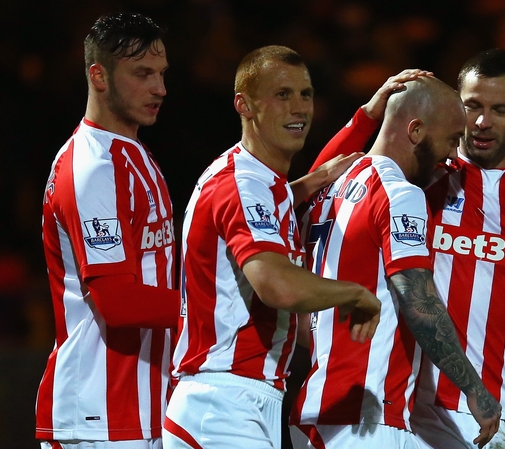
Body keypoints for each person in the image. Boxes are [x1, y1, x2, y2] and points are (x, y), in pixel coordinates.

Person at [310, 49, 505, 449]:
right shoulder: (422, 178)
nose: (482, 122)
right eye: (472, 106)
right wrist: (368, 115)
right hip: (426, 414)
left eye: (500, 110)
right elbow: (334, 186)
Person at [162, 45, 382, 449]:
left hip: (235, 402)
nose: (299, 108)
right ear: (244, 105)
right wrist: (356, 293)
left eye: (305, 94)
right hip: (223, 404)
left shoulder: (263, 184)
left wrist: (312, 179)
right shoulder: (243, 185)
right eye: (282, 94)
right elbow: (277, 286)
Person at [289, 74, 501, 449]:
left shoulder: (328, 186)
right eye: (451, 139)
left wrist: (364, 116)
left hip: (317, 408)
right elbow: (417, 299)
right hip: (368, 417)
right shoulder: (400, 194)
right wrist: (473, 388)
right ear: (415, 130)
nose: (453, 155)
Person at [36, 13, 179, 449]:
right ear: (98, 76)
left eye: (161, 74)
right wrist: (213, 309)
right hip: (99, 417)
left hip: (145, 408)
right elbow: (117, 301)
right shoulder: (92, 169)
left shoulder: (133, 153)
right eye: (143, 74)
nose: (160, 88)